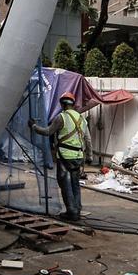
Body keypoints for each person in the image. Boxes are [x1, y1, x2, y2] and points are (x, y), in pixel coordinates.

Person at [28, 91, 91, 221]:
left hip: (65, 156)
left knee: (65, 183)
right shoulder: (81, 118)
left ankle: (72, 212)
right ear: (73, 104)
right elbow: (88, 139)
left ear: (62, 104)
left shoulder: (61, 117)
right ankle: (77, 208)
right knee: (75, 183)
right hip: (78, 156)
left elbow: (47, 132)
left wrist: (33, 126)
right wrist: (89, 156)